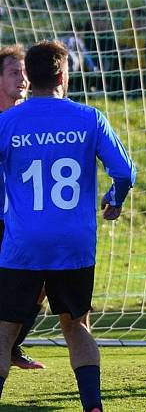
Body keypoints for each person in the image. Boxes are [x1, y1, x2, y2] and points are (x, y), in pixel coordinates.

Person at [0, 40, 136, 411]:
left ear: (30, 76)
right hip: (73, 243)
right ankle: (92, 406)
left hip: (22, 241)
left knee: (5, 331)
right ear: (63, 75)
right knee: (76, 325)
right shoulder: (88, 118)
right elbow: (124, 172)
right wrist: (115, 198)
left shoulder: (7, 122)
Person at [0, 46, 45, 370]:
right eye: (14, 72)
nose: (23, 78)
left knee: (41, 284)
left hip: (24, 221)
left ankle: (12, 347)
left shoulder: (32, 120)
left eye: (25, 72)